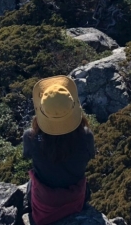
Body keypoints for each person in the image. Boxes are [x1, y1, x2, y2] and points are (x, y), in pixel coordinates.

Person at [23, 75, 95, 225]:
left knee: (31, 184)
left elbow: (27, 156)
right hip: (75, 199)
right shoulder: (86, 136)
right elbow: (89, 157)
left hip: (45, 204)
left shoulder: (31, 136)